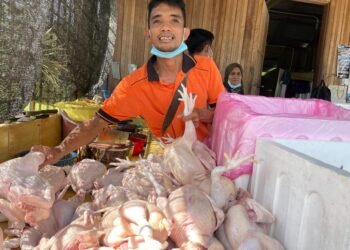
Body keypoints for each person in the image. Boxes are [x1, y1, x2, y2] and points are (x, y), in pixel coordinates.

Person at [32, 0, 225, 166]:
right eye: (158, 21)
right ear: (148, 33)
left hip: (211, 159)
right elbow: (95, 124)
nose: (166, 27)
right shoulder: (134, 85)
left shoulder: (207, 68)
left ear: (184, 33)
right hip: (176, 165)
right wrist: (57, 151)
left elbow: (229, 113)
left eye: (174, 20)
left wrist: (204, 114)